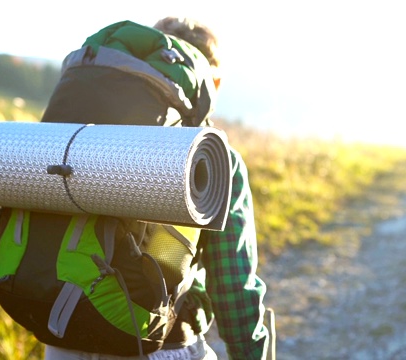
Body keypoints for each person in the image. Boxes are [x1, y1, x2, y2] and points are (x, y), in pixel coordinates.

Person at [44, 16, 269, 360]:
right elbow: (234, 287)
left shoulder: (77, 139)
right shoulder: (213, 159)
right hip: (158, 342)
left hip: (62, 333)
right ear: (214, 83)